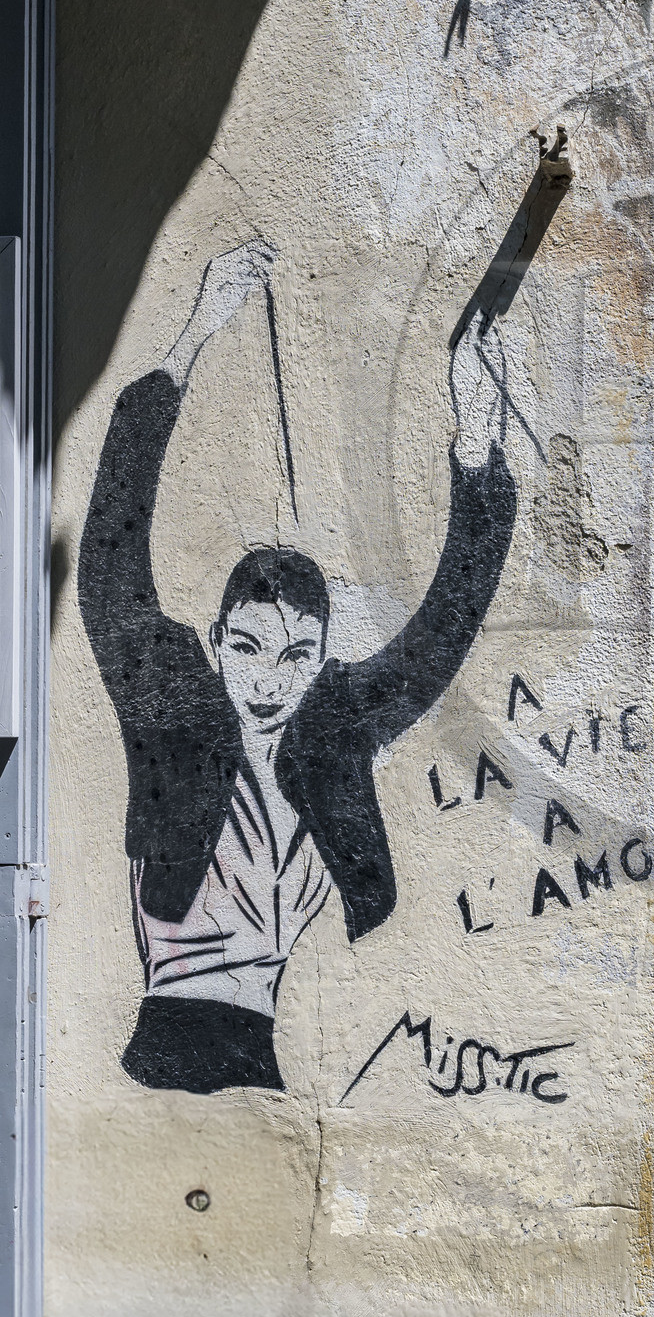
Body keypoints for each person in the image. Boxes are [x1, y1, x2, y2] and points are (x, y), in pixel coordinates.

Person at [79, 239, 518, 1095]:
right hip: (165, 1052)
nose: (267, 680)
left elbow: (443, 632)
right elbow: (108, 560)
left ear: (320, 660)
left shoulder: (332, 737)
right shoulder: (172, 715)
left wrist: (475, 446)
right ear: (214, 642)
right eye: (246, 648)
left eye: (295, 656)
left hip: (265, 1063)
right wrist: (194, 335)